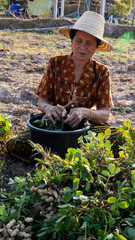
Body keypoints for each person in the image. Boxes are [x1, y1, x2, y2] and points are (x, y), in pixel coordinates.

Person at [6, 11, 123, 162]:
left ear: (96, 47)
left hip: (85, 129)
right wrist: (48, 108)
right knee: (15, 144)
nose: (83, 47)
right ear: (71, 40)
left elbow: (105, 114)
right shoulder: (56, 63)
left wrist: (85, 112)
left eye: (89, 43)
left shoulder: (101, 72)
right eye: (78, 40)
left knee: (120, 139)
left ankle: (57, 155)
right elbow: (42, 101)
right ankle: (72, 157)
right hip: (54, 125)